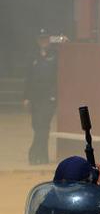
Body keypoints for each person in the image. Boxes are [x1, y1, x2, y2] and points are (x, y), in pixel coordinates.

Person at [24, 29, 58, 166]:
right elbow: (28, 78)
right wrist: (26, 97)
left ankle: (33, 154)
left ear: (49, 39)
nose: (43, 41)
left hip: (49, 98)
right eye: (41, 39)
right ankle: (43, 157)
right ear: (38, 41)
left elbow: (58, 77)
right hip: (35, 98)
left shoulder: (55, 55)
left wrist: (55, 95)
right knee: (37, 126)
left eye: (45, 38)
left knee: (43, 126)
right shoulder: (33, 56)